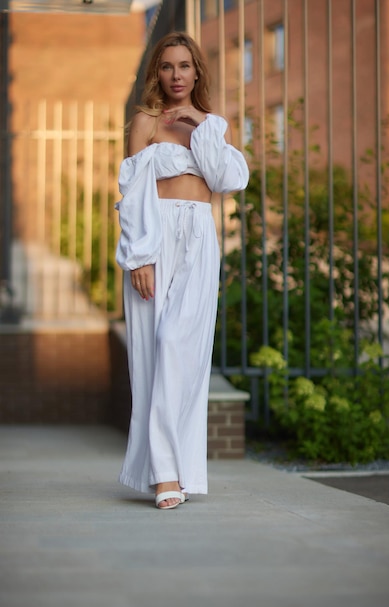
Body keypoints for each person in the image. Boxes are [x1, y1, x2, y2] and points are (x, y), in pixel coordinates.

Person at [115, 32, 249, 510]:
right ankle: (163, 475)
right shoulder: (145, 122)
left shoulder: (211, 126)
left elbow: (229, 180)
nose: (176, 75)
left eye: (185, 66)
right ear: (158, 71)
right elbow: (131, 193)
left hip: (199, 237)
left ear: (197, 72)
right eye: (168, 66)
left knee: (182, 349)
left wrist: (201, 125)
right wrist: (139, 256)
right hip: (156, 236)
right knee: (154, 355)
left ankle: (179, 468)